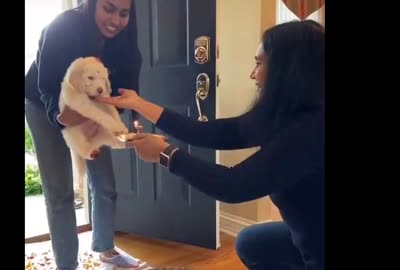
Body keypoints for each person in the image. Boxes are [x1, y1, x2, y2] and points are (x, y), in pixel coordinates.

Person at [96, 20, 325, 270]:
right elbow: (212, 133)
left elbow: (234, 185)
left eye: (259, 63)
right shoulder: (285, 114)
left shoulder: (312, 130)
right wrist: (139, 104)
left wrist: (166, 154)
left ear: (287, 70)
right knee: (251, 242)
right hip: (307, 233)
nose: (252, 73)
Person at [24, 0, 142, 269]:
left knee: (105, 183)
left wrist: (126, 121)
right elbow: (47, 87)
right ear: (92, 5)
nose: (116, 19)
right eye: (108, 9)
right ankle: (67, 264)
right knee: (60, 192)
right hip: (44, 105)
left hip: (92, 104)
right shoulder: (62, 29)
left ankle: (105, 248)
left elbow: (126, 92)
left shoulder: (127, 46)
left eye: (124, 13)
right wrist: (63, 118)